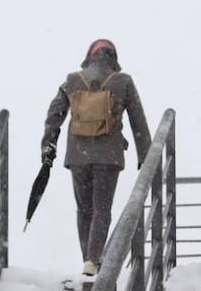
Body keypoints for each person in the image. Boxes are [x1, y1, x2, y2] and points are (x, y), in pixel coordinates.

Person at [41, 39, 151, 276]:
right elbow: (137, 119)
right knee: (102, 208)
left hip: (78, 155)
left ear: (89, 55)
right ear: (113, 57)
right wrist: (146, 154)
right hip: (108, 155)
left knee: (84, 209)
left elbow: (54, 114)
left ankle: (87, 259)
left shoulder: (73, 80)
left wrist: (48, 146)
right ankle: (93, 259)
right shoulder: (122, 81)